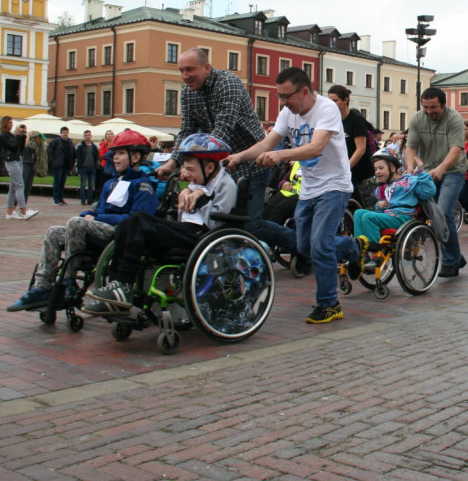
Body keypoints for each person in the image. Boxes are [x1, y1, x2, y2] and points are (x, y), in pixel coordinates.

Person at [225, 67, 359, 324]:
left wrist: (279, 155)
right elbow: (267, 143)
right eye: (280, 97)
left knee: (320, 245)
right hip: (308, 188)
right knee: (304, 246)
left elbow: (316, 147)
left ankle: (329, 304)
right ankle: (352, 247)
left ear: (305, 91)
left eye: (287, 96)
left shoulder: (326, 109)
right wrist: (239, 156)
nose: (283, 103)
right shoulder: (288, 113)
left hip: (334, 186)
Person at [155, 48, 292, 252]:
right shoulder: (187, 92)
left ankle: (302, 246)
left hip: (251, 163)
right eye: (181, 70)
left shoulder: (228, 83)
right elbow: (187, 129)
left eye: (190, 70)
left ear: (207, 67)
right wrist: (172, 162)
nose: (185, 76)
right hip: (219, 165)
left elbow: (222, 130)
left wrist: (195, 166)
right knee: (223, 222)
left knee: (251, 224)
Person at [7, 131, 160, 312]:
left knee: (75, 223)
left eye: (120, 154)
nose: (115, 158)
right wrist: (89, 214)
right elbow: (100, 210)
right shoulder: (111, 184)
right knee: (54, 232)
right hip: (97, 228)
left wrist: (97, 218)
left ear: (135, 156)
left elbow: (136, 220)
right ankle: (42, 287)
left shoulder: (143, 186)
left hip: (119, 233)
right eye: (114, 154)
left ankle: (68, 281)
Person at [83, 134, 235, 314]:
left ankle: (123, 285)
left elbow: (215, 223)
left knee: (138, 219)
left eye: (190, 170)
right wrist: (188, 191)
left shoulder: (226, 185)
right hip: (184, 229)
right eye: (185, 169)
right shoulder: (200, 182)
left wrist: (201, 196)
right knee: (127, 225)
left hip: (202, 235)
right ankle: (119, 284)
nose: (187, 174)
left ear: (209, 167)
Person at [404, 87, 467, 278]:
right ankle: (456, 256)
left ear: (443, 104)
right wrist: (408, 168)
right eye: (426, 107)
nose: (429, 111)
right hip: (427, 171)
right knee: (426, 212)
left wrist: (441, 169)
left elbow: (455, 150)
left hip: (453, 171)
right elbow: (411, 147)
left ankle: (450, 262)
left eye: (434, 107)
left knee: (443, 212)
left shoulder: (454, 118)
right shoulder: (417, 118)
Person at [352, 150, 437, 254]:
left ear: (392, 168)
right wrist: (379, 205)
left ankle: (375, 255)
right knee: (358, 213)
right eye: (375, 169)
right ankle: (360, 252)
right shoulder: (383, 188)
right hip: (390, 216)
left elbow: (428, 192)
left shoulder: (409, 181)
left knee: (368, 217)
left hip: (404, 217)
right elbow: (381, 210)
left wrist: (421, 173)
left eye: (381, 168)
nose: (377, 172)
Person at [327, 85, 375, 207]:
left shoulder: (356, 119)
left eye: (335, 101)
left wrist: (345, 169)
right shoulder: (333, 119)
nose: (331, 104)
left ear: (345, 100)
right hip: (343, 170)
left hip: (360, 171)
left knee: (361, 207)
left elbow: (361, 149)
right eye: (329, 101)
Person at [0, 116, 37, 220]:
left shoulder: (11, 135)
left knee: (13, 188)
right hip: (11, 161)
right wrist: (18, 135)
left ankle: (10, 212)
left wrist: (23, 135)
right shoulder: (3, 136)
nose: (11, 124)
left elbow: (20, 147)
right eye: (9, 122)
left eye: (11, 122)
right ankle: (24, 210)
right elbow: (13, 146)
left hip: (17, 159)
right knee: (20, 185)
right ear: (4, 124)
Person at [47, 127, 75, 206]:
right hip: (58, 165)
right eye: (64, 132)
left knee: (62, 182)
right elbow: (50, 152)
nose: (65, 134)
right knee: (57, 182)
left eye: (66, 132)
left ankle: (61, 198)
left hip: (66, 165)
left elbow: (73, 153)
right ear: (61, 133)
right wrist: (53, 162)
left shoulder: (70, 142)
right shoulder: (56, 142)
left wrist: (71, 164)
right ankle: (56, 199)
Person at [76, 130, 101, 205]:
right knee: (83, 185)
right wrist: (80, 166)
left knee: (91, 185)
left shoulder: (94, 147)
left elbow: (96, 157)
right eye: (86, 135)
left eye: (89, 135)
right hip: (84, 168)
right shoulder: (80, 147)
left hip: (92, 168)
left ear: (91, 136)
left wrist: (95, 165)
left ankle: (90, 199)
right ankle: (83, 200)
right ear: (84, 136)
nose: (87, 136)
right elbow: (78, 157)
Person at [21, 126, 40, 206]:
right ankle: (17, 205)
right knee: (23, 184)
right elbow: (24, 146)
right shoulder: (22, 139)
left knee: (28, 186)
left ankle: (24, 204)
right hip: (25, 163)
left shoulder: (33, 143)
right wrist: (28, 136)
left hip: (32, 164)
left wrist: (38, 139)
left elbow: (38, 150)